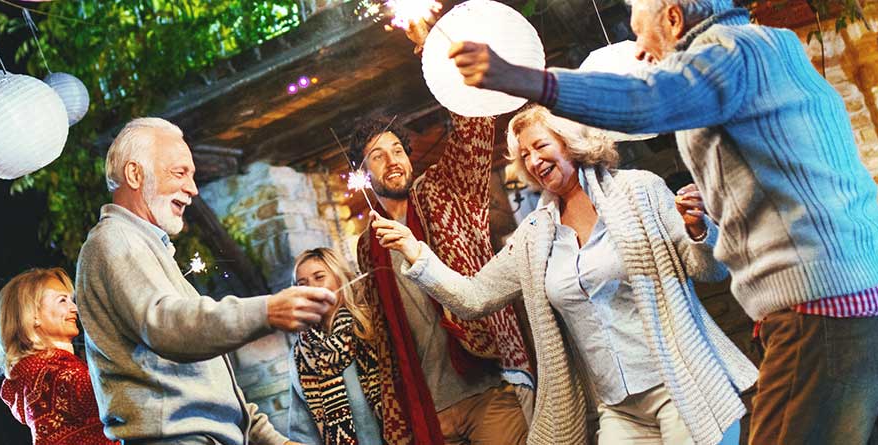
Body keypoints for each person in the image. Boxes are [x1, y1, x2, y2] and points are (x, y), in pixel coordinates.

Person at [445, 0, 878, 443]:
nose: (636, 49)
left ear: (674, 19)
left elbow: (646, 99)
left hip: (823, 313)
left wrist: (525, 80)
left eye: (639, 32)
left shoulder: (727, 52)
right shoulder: (775, 49)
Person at [371, 106, 757, 445]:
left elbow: (709, 270)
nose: (535, 160)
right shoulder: (534, 236)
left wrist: (698, 230)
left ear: (569, 142)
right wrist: (415, 252)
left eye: (541, 146)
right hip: (618, 409)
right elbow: (474, 298)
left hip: (682, 387)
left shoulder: (638, 190)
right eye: (525, 155)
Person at [75, 117, 336, 445]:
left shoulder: (148, 249)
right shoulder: (115, 240)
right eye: (180, 173)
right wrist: (267, 311)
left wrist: (272, 439)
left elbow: (211, 381)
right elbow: (167, 326)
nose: (193, 189)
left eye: (193, 176)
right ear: (134, 174)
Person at [341, 20, 534, 445]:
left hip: (490, 386)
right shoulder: (366, 245)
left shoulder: (447, 192)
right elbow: (387, 339)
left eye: (397, 150)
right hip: (429, 410)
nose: (392, 160)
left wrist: (439, 53)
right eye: (378, 156)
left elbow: (474, 127)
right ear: (364, 173)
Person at [0, 267, 118, 445]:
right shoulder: (53, 377)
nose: (75, 309)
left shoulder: (33, 378)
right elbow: (111, 390)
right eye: (62, 300)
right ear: (33, 315)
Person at [287, 247, 384, 445]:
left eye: (319, 277)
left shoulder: (370, 327)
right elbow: (304, 431)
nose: (312, 289)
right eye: (302, 284)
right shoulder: (302, 354)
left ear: (339, 278)